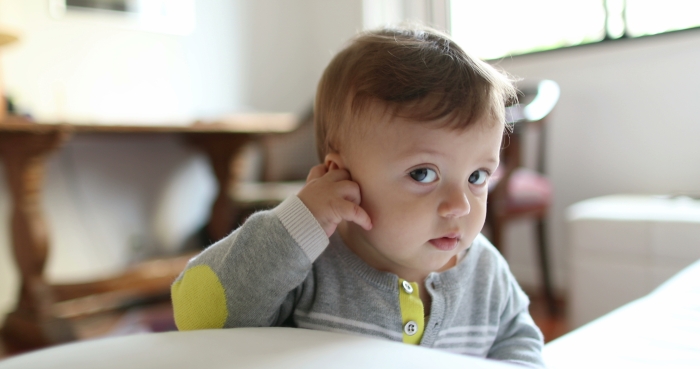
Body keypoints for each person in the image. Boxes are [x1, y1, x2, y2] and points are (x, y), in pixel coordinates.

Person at [171, 25, 544, 368]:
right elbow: (198, 315)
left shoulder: (486, 272)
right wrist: (297, 225)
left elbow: (519, 342)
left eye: (477, 176)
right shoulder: (308, 266)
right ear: (341, 177)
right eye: (423, 174)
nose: (460, 205)